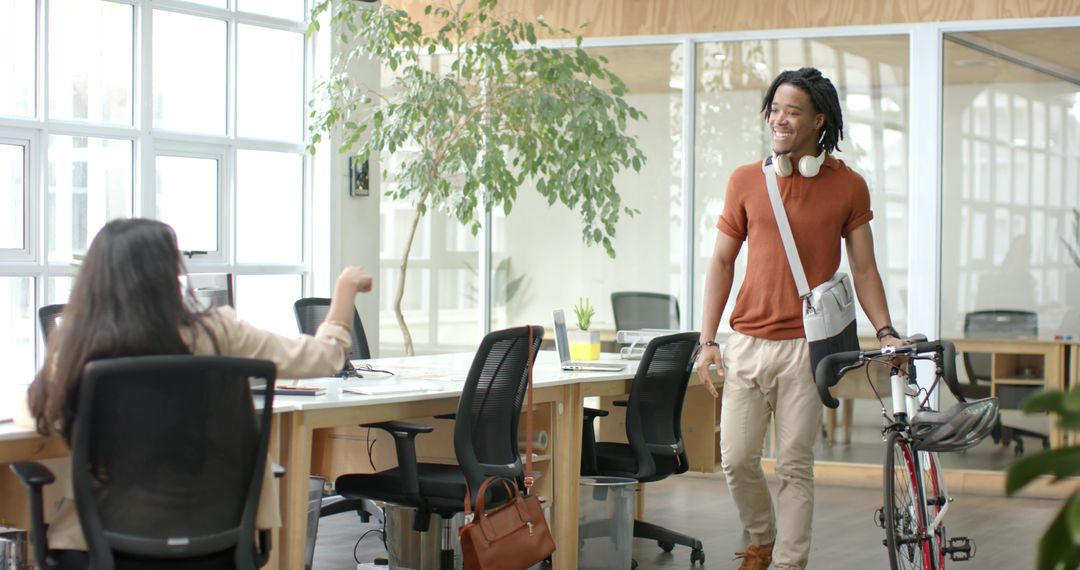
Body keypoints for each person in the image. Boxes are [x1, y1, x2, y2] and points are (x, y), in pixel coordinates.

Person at [19, 217, 374, 568]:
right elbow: (326, 357)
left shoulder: (80, 349)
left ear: (95, 281)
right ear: (169, 274)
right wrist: (344, 289)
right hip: (221, 543)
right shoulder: (221, 334)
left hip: (100, 548)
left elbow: (33, 415)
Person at [694, 67, 900, 570]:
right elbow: (721, 262)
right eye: (775, 109)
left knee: (794, 466)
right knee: (736, 459)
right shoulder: (746, 180)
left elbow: (865, 268)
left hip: (808, 351)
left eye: (792, 111)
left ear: (818, 120)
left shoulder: (848, 186)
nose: (779, 119)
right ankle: (761, 538)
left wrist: (887, 330)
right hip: (745, 342)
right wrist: (708, 340)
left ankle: (788, 563)